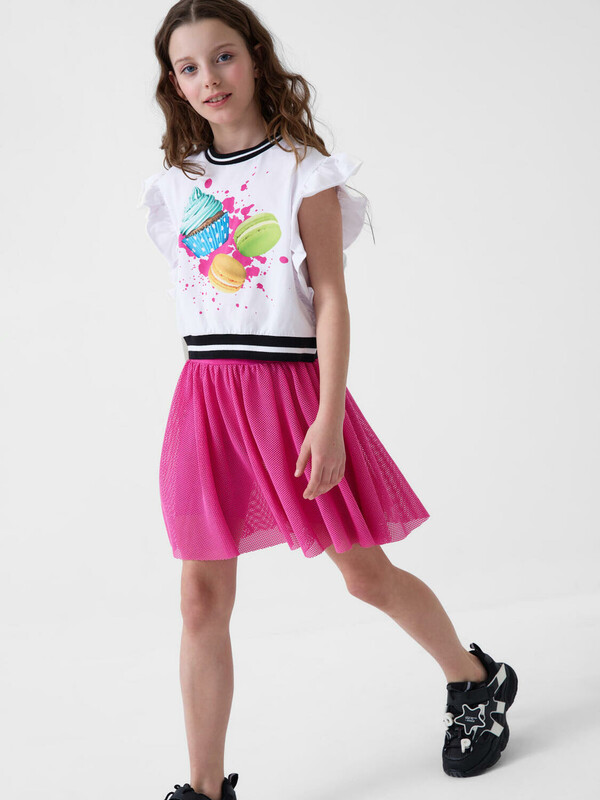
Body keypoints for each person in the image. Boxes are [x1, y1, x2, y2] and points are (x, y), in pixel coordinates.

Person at [139, 2, 519, 798]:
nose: (209, 78)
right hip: (205, 399)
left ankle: (474, 677)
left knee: (364, 574)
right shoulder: (176, 185)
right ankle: (203, 790)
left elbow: (333, 300)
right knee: (200, 597)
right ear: (174, 83)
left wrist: (329, 418)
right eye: (189, 67)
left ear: (255, 57)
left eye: (223, 56)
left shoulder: (301, 172)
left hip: (290, 396)